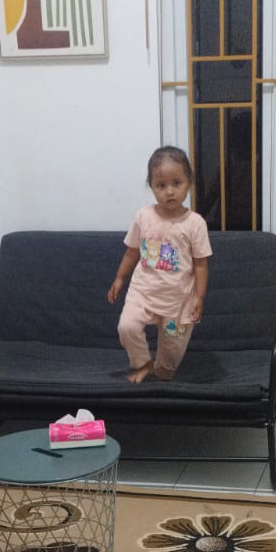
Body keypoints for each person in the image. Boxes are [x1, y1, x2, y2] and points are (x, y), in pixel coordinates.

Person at [107, 145, 211, 383]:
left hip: (178, 303)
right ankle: (143, 363)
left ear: (189, 182)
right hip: (143, 293)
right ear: (151, 186)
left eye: (177, 183)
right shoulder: (144, 217)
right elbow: (132, 252)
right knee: (127, 327)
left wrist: (199, 297)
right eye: (161, 185)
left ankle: (161, 376)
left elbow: (201, 264)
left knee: (171, 355)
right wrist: (119, 278)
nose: (170, 191)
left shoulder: (195, 223)